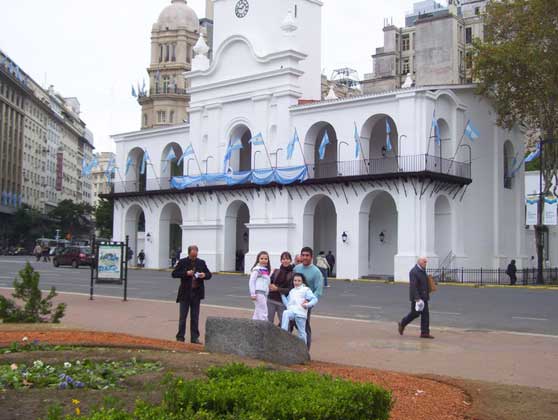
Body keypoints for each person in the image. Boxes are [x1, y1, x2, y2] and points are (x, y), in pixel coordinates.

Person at [172, 245, 212, 344]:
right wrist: (186, 273)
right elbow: (174, 274)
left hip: (196, 293)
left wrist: (204, 275)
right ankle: (180, 337)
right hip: (185, 293)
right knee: (183, 317)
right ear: (189, 253)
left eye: (195, 255)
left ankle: (194, 338)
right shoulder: (182, 262)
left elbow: (209, 274)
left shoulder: (201, 262)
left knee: (195, 317)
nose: (194, 257)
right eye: (192, 255)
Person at [293, 247, 324, 350]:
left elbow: (318, 291)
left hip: (305, 304)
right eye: (303, 255)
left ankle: (305, 350)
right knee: (288, 323)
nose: (305, 257)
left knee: (304, 327)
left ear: (311, 257)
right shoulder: (297, 268)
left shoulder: (316, 272)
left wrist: (309, 302)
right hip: (293, 302)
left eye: (307, 255)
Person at [398, 257, 434, 339]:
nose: (426, 263)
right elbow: (413, 286)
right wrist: (417, 298)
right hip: (417, 297)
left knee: (425, 314)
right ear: (419, 262)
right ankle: (402, 323)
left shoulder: (422, 270)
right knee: (415, 314)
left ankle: (425, 333)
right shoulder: (414, 272)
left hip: (424, 296)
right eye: (424, 262)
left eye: (426, 262)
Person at [281, 273, 318, 345]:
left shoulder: (306, 289)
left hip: (301, 313)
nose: (296, 282)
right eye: (295, 280)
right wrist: (282, 295)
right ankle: (283, 332)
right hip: (292, 311)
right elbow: (288, 304)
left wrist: (307, 305)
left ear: (302, 281)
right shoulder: (292, 291)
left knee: (302, 332)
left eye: (299, 281)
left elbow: (314, 299)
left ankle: (304, 348)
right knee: (286, 313)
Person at [267, 251, 295, 325]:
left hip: (283, 302)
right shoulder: (276, 271)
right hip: (271, 299)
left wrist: (277, 289)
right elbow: (269, 282)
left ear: (290, 260)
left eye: (287, 259)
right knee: (268, 323)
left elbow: (291, 290)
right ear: (281, 260)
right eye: (283, 259)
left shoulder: (293, 274)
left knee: (285, 324)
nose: (285, 261)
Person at [249, 251, 272, 321]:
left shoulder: (265, 269)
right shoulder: (257, 269)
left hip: (264, 293)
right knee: (263, 311)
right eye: (262, 258)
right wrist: (252, 293)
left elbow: (266, 280)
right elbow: (251, 281)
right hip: (259, 293)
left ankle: (254, 326)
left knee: (258, 311)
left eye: (266, 259)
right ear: (258, 259)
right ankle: (264, 326)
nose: (264, 260)